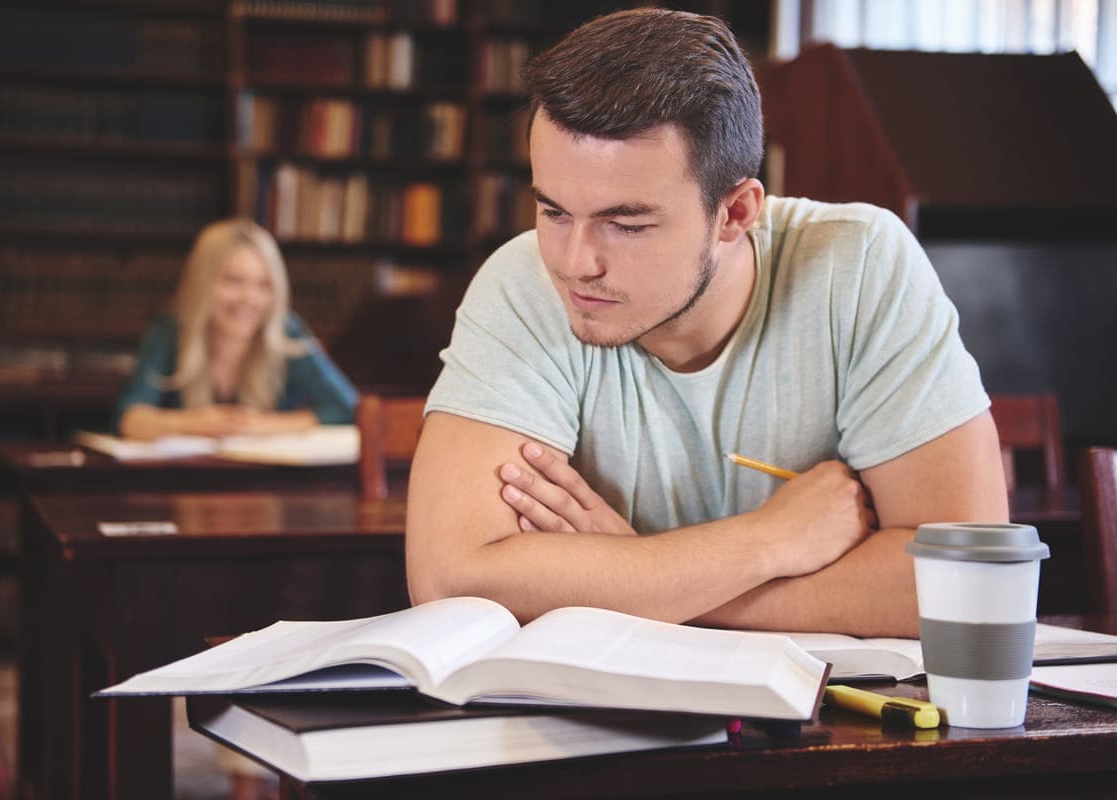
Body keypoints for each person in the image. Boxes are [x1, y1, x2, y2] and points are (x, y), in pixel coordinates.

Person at [405, 8, 1008, 637]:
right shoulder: (524, 280)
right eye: (554, 211)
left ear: (736, 212)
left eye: (627, 224)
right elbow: (451, 580)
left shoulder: (856, 264)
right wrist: (765, 543)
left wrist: (637, 575)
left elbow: (970, 581)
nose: (574, 263)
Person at [113, 218, 357, 439]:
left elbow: (349, 408)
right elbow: (129, 419)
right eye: (233, 281)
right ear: (202, 282)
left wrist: (261, 425)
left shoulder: (286, 332)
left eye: (263, 285)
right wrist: (191, 423)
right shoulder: (169, 331)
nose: (249, 298)